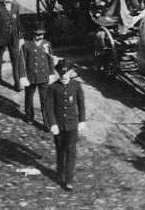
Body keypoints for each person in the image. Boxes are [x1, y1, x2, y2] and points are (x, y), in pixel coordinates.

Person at [46, 59, 85, 191]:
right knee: (60, 150)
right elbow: (49, 108)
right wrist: (52, 124)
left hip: (72, 125)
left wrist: (82, 120)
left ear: (70, 72)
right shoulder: (52, 88)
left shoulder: (76, 86)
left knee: (71, 151)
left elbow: (81, 104)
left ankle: (69, 180)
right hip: (59, 126)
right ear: (57, 73)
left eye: (66, 74)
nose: (63, 77)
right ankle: (60, 173)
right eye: (60, 74)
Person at [20, 24, 55, 128]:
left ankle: (47, 122)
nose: (40, 37)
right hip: (30, 76)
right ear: (33, 34)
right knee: (29, 98)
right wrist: (23, 76)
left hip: (44, 76)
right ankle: (29, 116)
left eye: (42, 34)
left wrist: (52, 73)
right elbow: (22, 62)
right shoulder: (26, 45)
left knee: (45, 100)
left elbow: (50, 59)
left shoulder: (47, 44)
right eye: (38, 35)